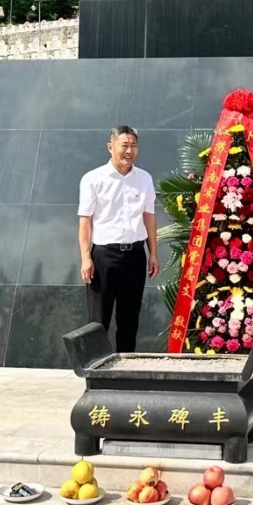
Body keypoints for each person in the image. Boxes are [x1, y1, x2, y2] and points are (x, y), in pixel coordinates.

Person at [77, 126, 160, 352]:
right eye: (124, 145)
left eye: (134, 145)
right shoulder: (93, 179)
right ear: (110, 147)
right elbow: (85, 222)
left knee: (129, 319)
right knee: (98, 320)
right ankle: (95, 367)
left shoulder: (144, 178)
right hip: (104, 256)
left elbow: (149, 217)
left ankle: (126, 368)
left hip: (135, 255)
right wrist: (86, 258)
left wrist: (153, 253)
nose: (129, 151)